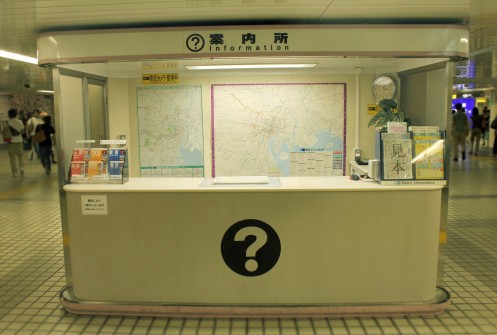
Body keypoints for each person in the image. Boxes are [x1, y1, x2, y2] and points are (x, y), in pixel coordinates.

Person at [6, 108, 25, 177]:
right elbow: (22, 131)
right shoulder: (19, 121)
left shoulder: (6, 122)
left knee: (12, 159)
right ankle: (21, 168)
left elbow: (3, 132)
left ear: (9, 114)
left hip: (10, 143)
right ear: (16, 114)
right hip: (19, 141)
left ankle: (15, 173)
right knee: (20, 157)